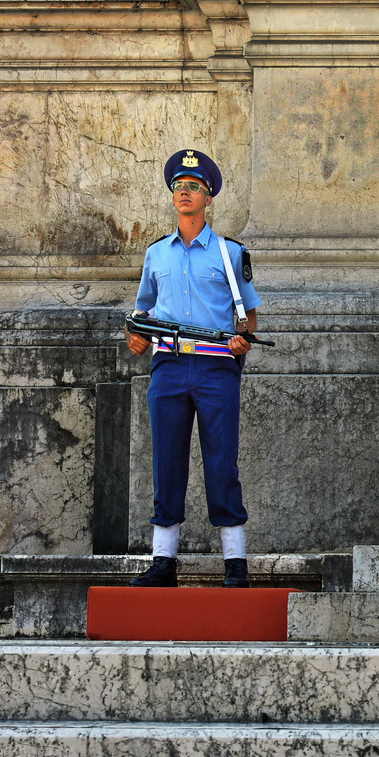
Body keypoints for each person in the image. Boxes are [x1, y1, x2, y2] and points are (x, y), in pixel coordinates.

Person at [126, 149, 261, 588]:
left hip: (216, 367)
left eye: (194, 188)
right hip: (167, 366)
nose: (185, 194)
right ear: (172, 198)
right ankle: (163, 560)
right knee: (167, 460)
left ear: (208, 199)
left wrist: (242, 342)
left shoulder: (228, 252)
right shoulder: (156, 255)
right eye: (178, 188)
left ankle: (235, 561)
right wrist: (137, 336)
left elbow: (248, 315)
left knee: (222, 462)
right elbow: (143, 310)